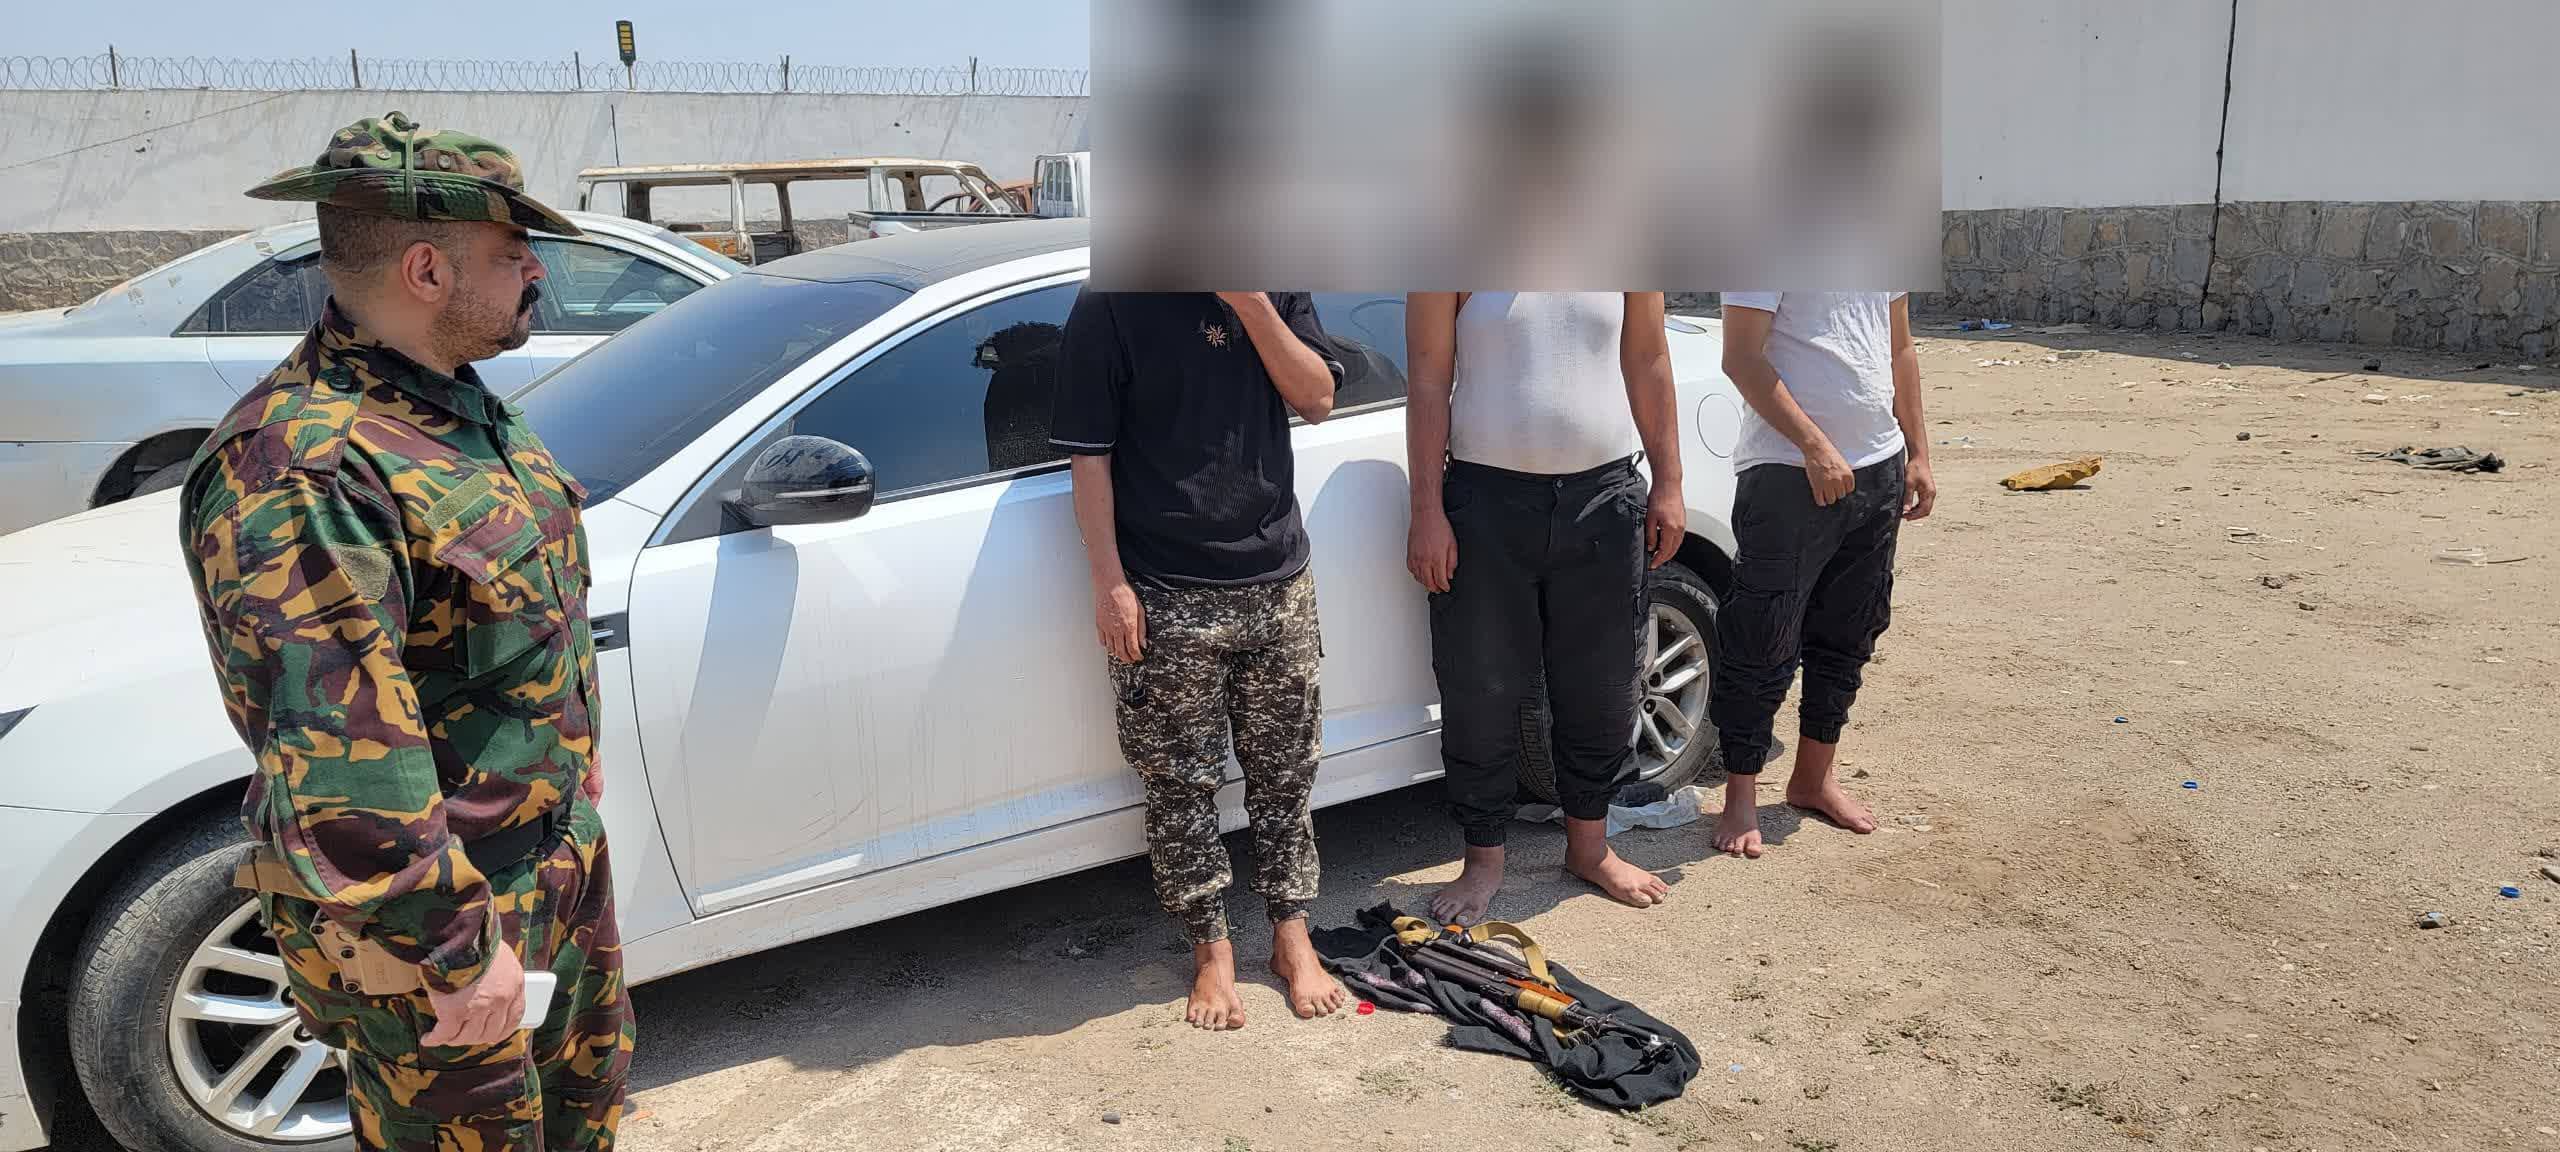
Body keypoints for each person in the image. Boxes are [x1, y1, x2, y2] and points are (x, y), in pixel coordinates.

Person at [178, 113, 632, 1151]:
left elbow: (509, 617)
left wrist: (572, 763)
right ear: (426, 270)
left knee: (580, 1125)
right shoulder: (306, 467)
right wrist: (457, 952)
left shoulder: (451, 407)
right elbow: (342, 765)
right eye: (512, 254)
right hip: (442, 922)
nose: (535, 274)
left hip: (547, 870)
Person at [1050, 290, 1349, 1030]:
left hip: (1278, 578)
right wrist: (1109, 582)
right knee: (1179, 783)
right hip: (1165, 589)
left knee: (1287, 772)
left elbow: (1317, 399)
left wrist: (1250, 303)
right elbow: (1089, 457)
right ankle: (1212, 949)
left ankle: (1291, 935)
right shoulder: (1110, 303)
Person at [1405, 292, 1687, 925]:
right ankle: (1483, 859)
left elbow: (1649, 359)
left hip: (1604, 498)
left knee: (1603, 684)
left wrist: (1669, 482)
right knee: (1481, 687)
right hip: (1484, 503)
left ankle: (1590, 848)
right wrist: (1427, 510)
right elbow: (1426, 380)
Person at [1707, 292, 1935, 858]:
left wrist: (1918, 453)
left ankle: (1813, 779)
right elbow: (1741, 357)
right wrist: (1814, 446)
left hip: (1879, 466)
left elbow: (1900, 347)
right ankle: (1741, 794)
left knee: (1850, 632)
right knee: (1762, 638)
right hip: (1787, 473)